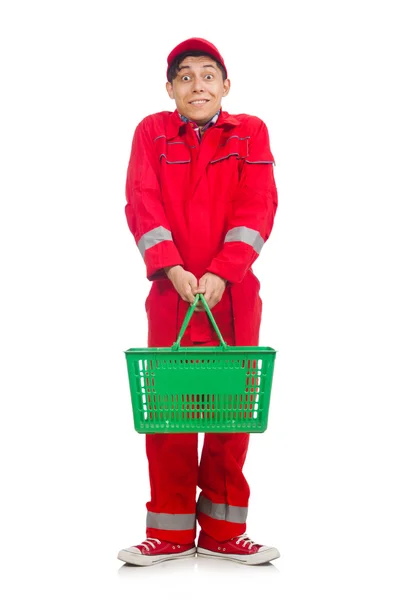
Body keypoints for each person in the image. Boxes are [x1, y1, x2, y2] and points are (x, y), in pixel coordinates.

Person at [118, 38, 279, 567]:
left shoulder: (249, 132)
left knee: (232, 413)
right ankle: (167, 531)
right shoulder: (152, 132)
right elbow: (141, 200)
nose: (197, 85)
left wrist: (222, 272)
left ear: (226, 86)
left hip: (232, 299)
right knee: (169, 415)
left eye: (208, 75)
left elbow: (258, 203)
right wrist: (173, 267)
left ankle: (223, 532)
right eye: (184, 77)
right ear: (170, 90)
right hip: (172, 295)